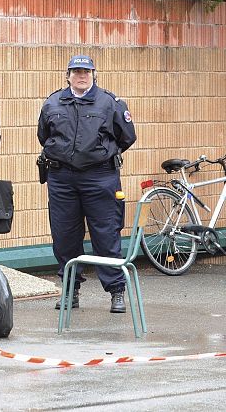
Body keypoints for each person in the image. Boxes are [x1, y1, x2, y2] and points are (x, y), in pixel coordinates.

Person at [37, 55, 136, 313]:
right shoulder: (53, 102)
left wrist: (100, 154)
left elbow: (127, 136)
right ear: (67, 74)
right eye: (76, 71)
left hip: (100, 177)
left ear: (94, 74)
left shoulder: (109, 103)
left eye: (86, 71)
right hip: (62, 179)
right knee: (65, 236)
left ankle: (116, 291)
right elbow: (43, 135)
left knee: (106, 234)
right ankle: (71, 291)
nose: (82, 76)